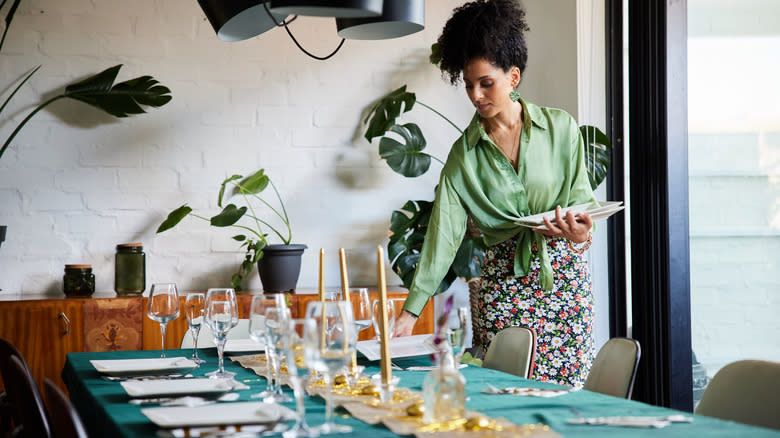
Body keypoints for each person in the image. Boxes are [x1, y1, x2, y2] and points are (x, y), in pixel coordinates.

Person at [392, 0, 597, 387]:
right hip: (501, 288)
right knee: (506, 398)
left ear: (513, 77)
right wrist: (411, 311)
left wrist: (581, 233)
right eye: (469, 84)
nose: (475, 94)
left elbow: (583, 205)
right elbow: (443, 237)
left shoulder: (562, 129)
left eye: (486, 82)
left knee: (568, 402)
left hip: (564, 285)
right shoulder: (462, 158)